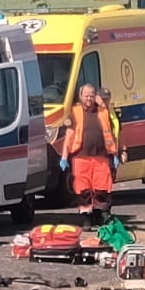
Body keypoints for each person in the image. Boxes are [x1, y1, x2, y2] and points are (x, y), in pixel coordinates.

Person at [59, 82, 121, 220]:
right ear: (81, 96)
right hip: (80, 157)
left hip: (101, 157)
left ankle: (100, 215)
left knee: (102, 188)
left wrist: (115, 154)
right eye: (86, 96)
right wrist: (64, 156)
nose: (89, 98)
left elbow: (111, 134)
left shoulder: (103, 112)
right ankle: (87, 217)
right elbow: (69, 136)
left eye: (92, 96)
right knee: (83, 189)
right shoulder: (75, 112)